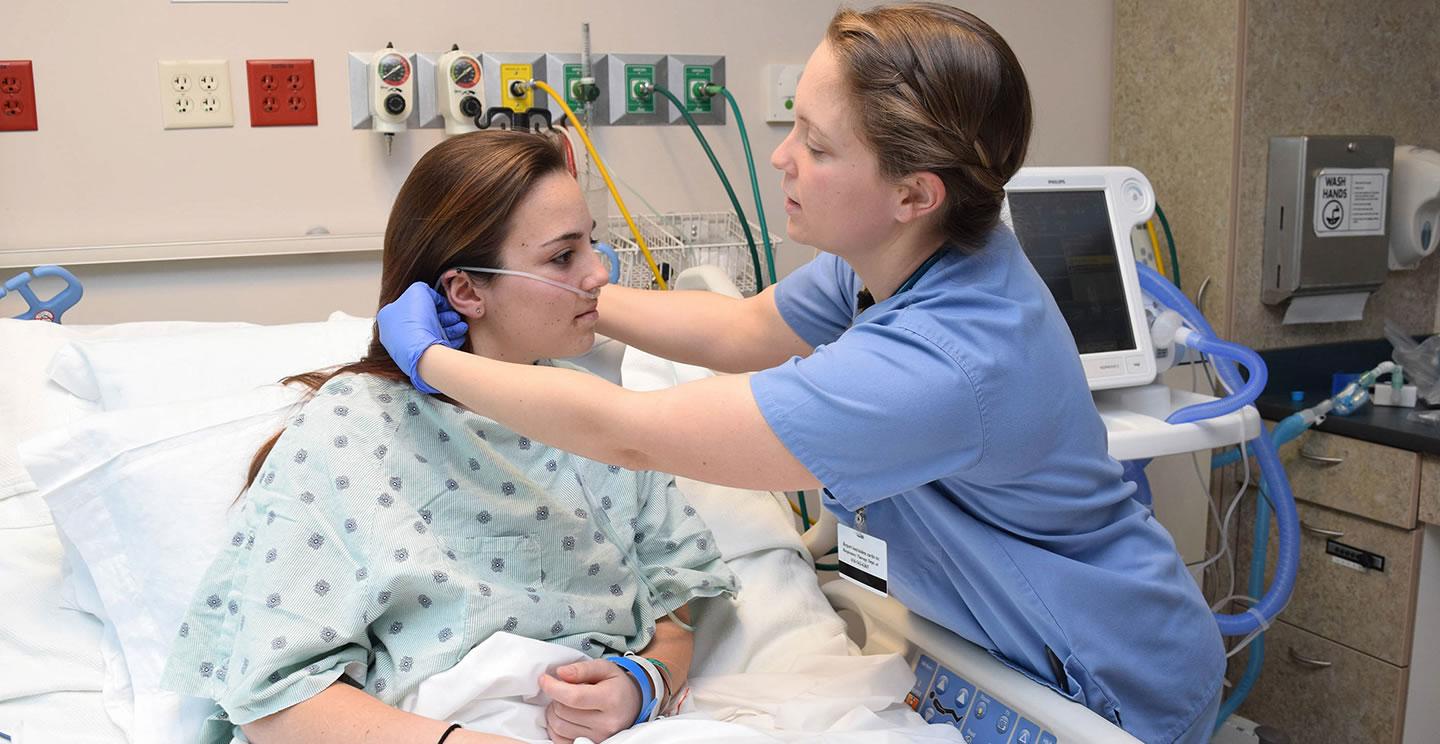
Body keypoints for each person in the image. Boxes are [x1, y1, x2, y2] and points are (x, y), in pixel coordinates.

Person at [377, 4, 1226, 743]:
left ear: (915, 193)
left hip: (1104, 686)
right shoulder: (900, 255)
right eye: (793, 125)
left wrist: (437, 361)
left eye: (817, 146)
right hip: (989, 653)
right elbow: (743, 325)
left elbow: (632, 436)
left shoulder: (943, 363)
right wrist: (574, 290)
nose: (783, 157)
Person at [161, 130, 738, 744]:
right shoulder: (356, 425)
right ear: (466, 291)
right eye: (563, 256)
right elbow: (276, 697)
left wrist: (643, 682)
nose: (599, 273)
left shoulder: (596, 418)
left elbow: (672, 604)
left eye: (591, 242)